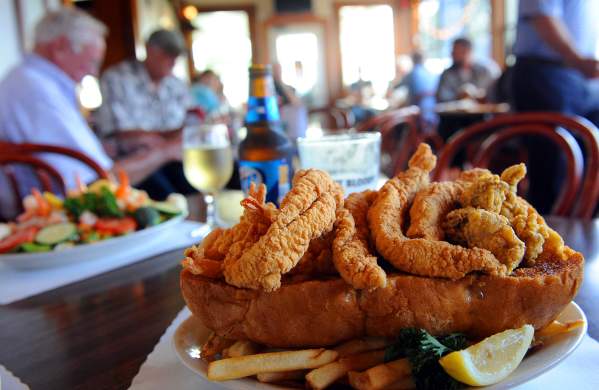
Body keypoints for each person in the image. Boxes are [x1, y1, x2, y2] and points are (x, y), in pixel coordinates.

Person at [0, 8, 181, 218]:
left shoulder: (24, 80)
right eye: (93, 61)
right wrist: (167, 151)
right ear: (60, 47)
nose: (93, 72)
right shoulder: (36, 90)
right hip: (62, 221)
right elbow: (98, 183)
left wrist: (112, 147)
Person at [511, 0, 599, 214]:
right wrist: (577, 59)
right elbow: (543, 16)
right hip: (546, 73)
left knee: (589, 165)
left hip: (579, 77)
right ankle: (546, 241)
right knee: (552, 173)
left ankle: (582, 235)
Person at [94, 29, 194, 199]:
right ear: (150, 50)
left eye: (175, 57)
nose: (172, 62)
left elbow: (188, 123)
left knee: (202, 184)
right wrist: (168, 139)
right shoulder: (117, 77)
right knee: (167, 196)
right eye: (167, 55)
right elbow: (122, 133)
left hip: (173, 157)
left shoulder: (176, 84)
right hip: (132, 163)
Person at [436, 38, 496, 103]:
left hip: (481, 112)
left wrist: (477, 95)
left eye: (457, 52)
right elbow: (442, 96)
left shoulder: (484, 71)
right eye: (453, 52)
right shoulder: (447, 74)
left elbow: (492, 95)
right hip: (454, 112)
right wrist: (459, 96)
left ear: (468, 51)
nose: (452, 55)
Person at [388, 52, 437, 125]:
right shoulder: (431, 74)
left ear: (412, 60)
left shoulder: (412, 74)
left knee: (395, 120)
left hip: (416, 114)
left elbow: (395, 87)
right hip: (433, 114)